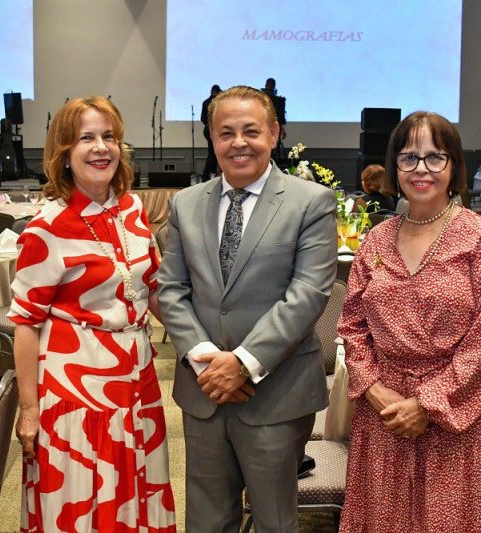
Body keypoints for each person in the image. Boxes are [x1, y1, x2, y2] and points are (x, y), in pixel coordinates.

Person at [157, 85, 337, 532]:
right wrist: (205, 363)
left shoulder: (310, 201)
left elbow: (308, 293)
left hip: (276, 392)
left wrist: (242, 363)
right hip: (204, 392)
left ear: (274, 134)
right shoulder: (186, 203)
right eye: (226, 132)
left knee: (275, 520)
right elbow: (171, 289)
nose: (239, 142)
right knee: (206, 519)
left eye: (251, 131)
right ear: (212, 140)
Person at [337, 111, 481, 532]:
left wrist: (428, 405)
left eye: (436, 157)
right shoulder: (376, 238)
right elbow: (353, 325)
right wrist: (375, 391)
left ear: (454, 167)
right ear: (394, 167)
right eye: (409, 157)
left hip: (456, 422)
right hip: (385, 417)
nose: (421, 169)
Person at [9, 96, 176, 532]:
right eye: (86, 138)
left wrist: (201, 345)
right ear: (63, 153)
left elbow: (150, 290)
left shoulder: (132, 210)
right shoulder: (46, 227)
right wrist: (29, 411)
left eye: (109, 137)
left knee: (133, 486)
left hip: (137, 376)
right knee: (85, 495)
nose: (101, 147)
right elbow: (25, 325)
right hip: (75, 386)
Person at [261, 77, 287, 160]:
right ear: (274, 87)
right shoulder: (276, 100)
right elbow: (276, 116)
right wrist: (282, 130)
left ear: (265, 85)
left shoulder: (258, 97)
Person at [200, 84, 222, 180]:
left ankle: (209, 174)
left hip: (207, 129)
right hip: (214, 129)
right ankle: (209, 174)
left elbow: (202, 118)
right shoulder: (218, 103)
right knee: (214, 153)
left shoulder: (205, 102)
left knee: (212, 152)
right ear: (216, 92)